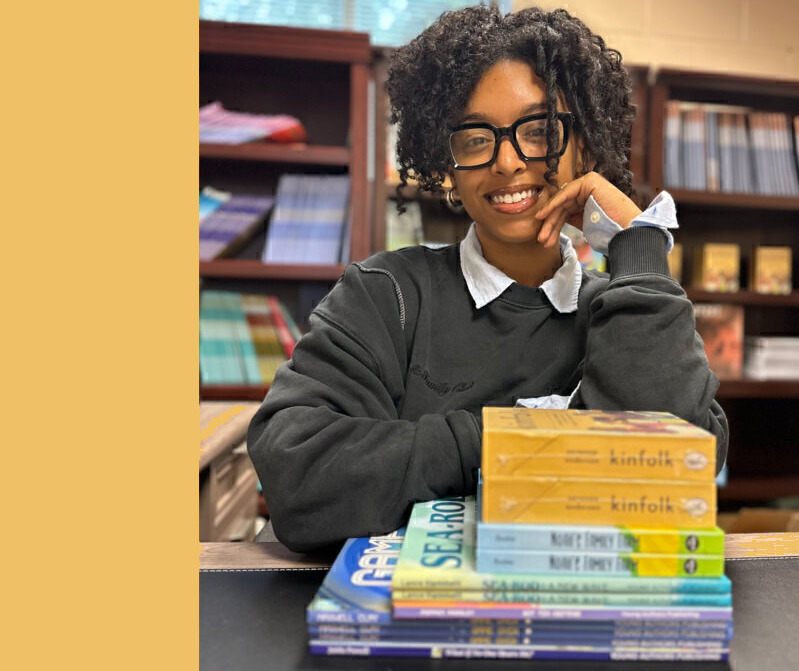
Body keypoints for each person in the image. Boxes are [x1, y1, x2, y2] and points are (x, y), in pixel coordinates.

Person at [247, 5, 728, 552]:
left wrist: (637, 245)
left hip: (585, 611)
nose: (505, 162)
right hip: (413, 624)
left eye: (540, 130)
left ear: (585, 148)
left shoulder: (631, 309)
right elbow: (298, 472)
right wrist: (522, 438)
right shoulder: (388, 295)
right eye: (476, 138)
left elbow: (678, 465)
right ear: (447, 167)